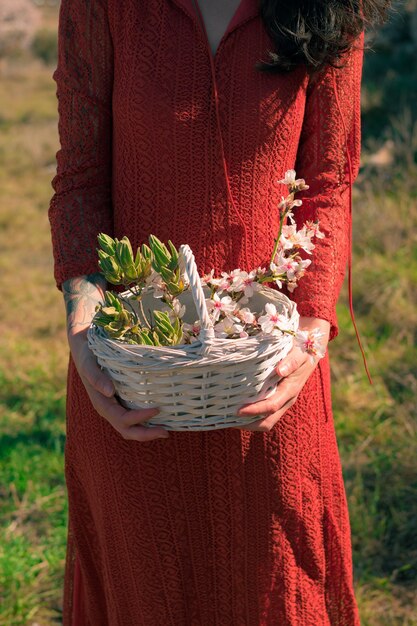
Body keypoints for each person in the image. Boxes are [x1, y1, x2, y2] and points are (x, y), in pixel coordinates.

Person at [48, 0, 389, 624]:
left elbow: (328, 183)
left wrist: (309, 334)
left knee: (274, 590)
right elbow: (79, 179)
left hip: (270, 378)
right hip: (132, 380)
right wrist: (83, 328)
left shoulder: (331, 6)